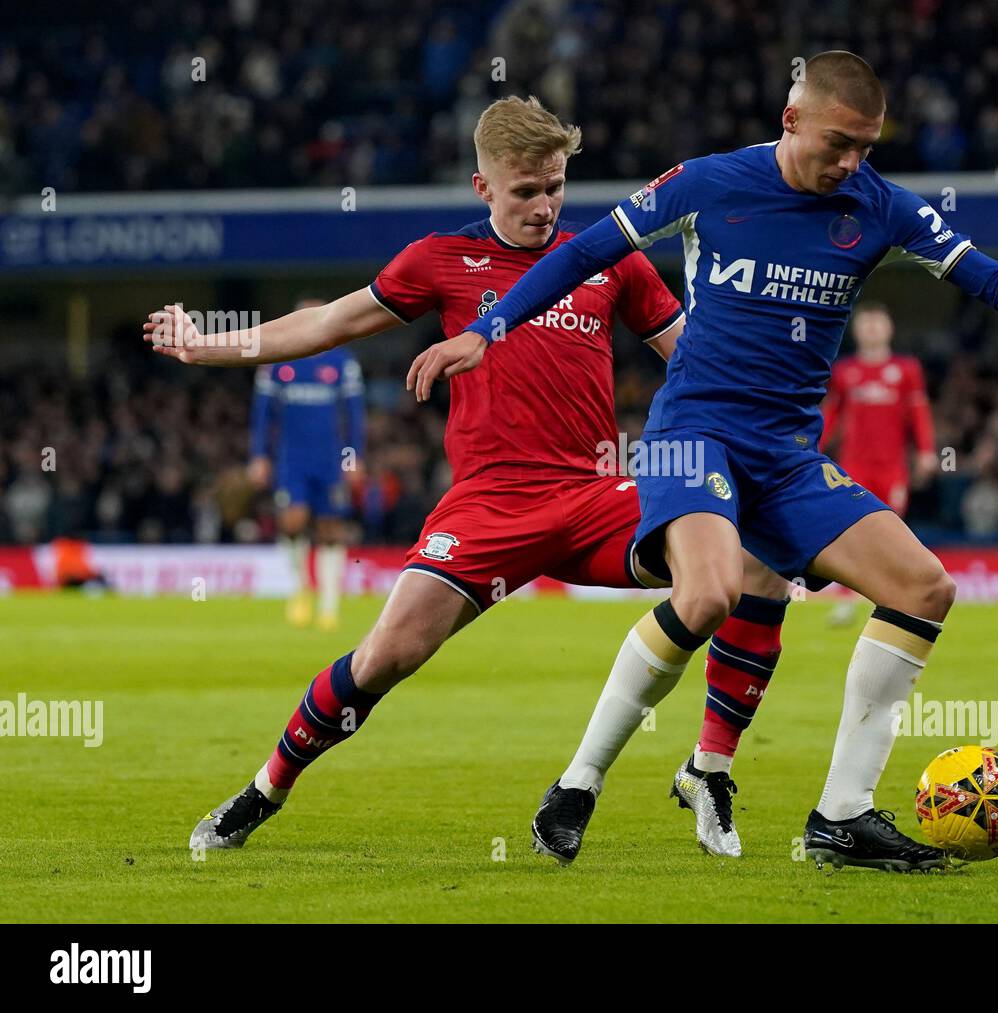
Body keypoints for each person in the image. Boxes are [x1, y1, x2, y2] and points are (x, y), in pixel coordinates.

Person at [414, 51, 998, 871]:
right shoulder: (706, 183)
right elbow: (584, 257)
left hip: (786, 455)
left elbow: (986, 278)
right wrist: (487, 327)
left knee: (925, 586)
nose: (852, 162)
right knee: (712, 590)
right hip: (695, 431)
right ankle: (578, 782)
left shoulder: (881, 207)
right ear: (791, 120)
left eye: (867, 145)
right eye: (839, 142)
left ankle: (841, 815)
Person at [144, 96, 789, 857]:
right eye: (525, 191)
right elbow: (324, 325)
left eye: (554, 187)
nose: (545, 206)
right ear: (484, 188)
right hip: (489, 504)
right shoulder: (440, 261)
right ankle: (262, 791)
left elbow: (694, 361)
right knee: (388, 655)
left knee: (757, 563)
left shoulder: (610, 259)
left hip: (596, 495)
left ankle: (705, 770)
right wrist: (205, 344)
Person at [248, 297, 366, 630]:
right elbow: (262, 416)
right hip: (291, 459)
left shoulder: (343, 362)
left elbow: (354, 417)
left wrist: (353, 457)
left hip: (330, 460)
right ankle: (301, 589)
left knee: (331, 528)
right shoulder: (277, 362)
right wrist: (259, 456)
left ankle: (330, 605)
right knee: (292, 521)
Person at [821, 301, 936, 626]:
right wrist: (810, 447)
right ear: (856, 330)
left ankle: (891, 597)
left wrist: (927, 451)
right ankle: (846, 601)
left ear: (889, 328)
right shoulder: (845, 371)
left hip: (892, 468)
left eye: (877, 323)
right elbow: (831, 414)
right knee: (852, 536)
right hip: (853, 468)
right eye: (866, 323)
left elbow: (919, 412)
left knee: (891, 536)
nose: (872, 329)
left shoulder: (906, 370)